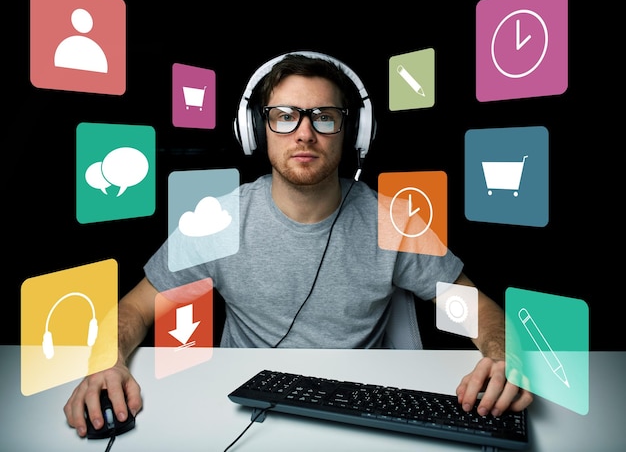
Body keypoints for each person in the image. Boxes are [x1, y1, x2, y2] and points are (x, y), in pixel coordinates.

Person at [64, 51, 533, 437]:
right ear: (256, 131)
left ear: (353, 134)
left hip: (361, 414)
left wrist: (500, 357)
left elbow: (475, 307)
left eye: (324, 117)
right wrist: (106, 364)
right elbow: (135, 307)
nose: (304, 133)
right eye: (284, 116)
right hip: (243, 412)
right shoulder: (219, 220)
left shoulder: (393, 220)